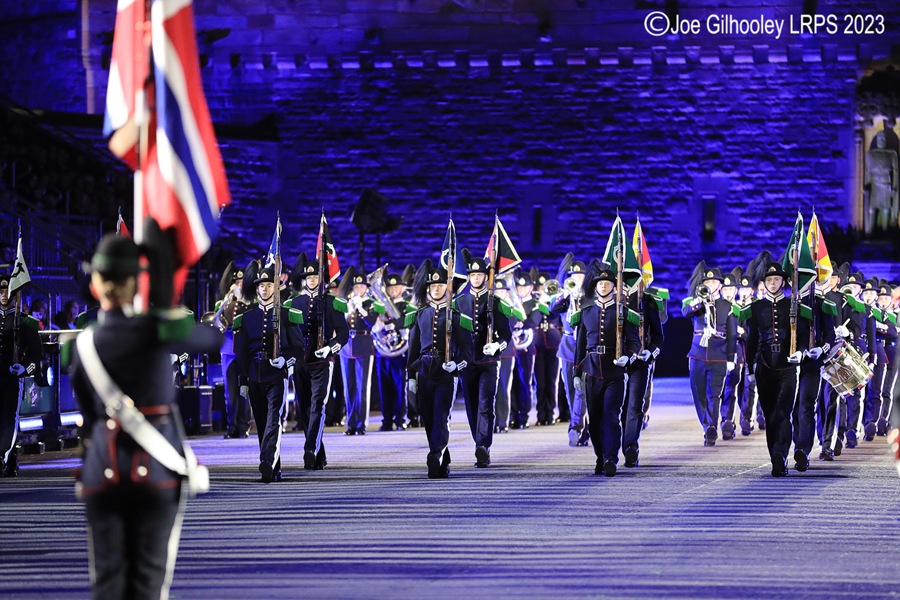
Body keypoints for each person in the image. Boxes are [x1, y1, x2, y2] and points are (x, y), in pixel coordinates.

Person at [65, 233, 221, 600]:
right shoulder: (160, 329)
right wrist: (165, 303)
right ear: (136, 281)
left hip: (102, 472)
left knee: (107, 582)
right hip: (156, 472)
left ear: (95, 283)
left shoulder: (79, 345)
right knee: (149, 584)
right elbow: (213, 339)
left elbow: (89, 416)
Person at [406, 261, 474, 479]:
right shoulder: (420, 315)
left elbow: (467, 350)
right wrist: (411, 377)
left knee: (440, 417)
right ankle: (442, 461)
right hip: (425, 371)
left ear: (448, 287)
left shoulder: (456, 316)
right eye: (432, 286)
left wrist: (457, 364)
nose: (436, 289)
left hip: (447, 374)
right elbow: (413, 349)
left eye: (440, 285)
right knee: (427, 418)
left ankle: (435, 454)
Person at [573, 261, 639, 477]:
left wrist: (628, 358)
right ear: (595, 287)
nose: (603, 286)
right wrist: (576, 372)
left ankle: (611, 458)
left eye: (607, 282)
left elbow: (634, 342)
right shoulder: (586, 312)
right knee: (595, 419)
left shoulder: (623, 312)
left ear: (613, 286)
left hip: (614, 371)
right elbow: (580, 345)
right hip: (591, 369)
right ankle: (600, 457)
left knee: (611, 415)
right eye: (600, 283)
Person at [233, 266, 297, 482]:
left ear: (276, 286)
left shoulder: (286, 314)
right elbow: (241, 352)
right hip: (254, 373)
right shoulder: (247, 317)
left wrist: (286, 360)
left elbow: (297, 347)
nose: (264, 289)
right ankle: (273, 466)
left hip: (276, 373)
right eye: (261, 285)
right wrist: (243, 380)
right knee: (261, 422)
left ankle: (266, 461)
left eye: (269, 285)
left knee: (273, 420)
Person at [284, 258, 349, 470]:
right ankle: (318, 455)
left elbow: (343, 333)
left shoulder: (332, 302)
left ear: (321, 278)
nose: (312, 280)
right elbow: (288, 333)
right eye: (308, 277)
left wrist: (331, 347)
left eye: (315, 277)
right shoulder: (294, 303)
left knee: (318, 405)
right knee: (304, 408)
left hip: (322, 359)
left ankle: (310, 448)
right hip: (301, 359)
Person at [744, 261, 805, 477]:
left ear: (784, 282)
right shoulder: (755, 307)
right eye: (769, 280)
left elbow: (805, 335)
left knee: (782, 412)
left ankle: (781, 453)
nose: (772, 283)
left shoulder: (793, 305)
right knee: (770, 414)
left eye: (776, 279)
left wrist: (802, 352)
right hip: (764, 364)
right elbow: (751, 340)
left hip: (788, 365)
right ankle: (775, 458)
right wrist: (749, 368)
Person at [455, 254, 512, 468]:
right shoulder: (458, 302)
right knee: (471, 406)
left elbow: (506, 333)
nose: (476, 278)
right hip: (467, 361)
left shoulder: (494, 301)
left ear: (485, 276)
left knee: (485, 404)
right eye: (472, 274)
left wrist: (498, 345)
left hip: (488, 360)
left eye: (479, 274)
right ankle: (478, 440)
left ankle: (483, 446)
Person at [682, 263, 737, 447]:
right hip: (697, 353)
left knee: (714, 394)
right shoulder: (695, 302)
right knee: (699, 394)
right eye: (708, 282)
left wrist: (731, 358)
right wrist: (700, 300)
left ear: (720, 285)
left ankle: (710, 427)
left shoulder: (727, 306)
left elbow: (731, 334)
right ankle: (707, 424)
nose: (711, 285)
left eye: (714, 282)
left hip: (719, 354)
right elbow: (686, 313)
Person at [0, 274, 42, 476]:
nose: (3, 295)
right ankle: (10, 458)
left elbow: (37, 356)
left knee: (9, 418)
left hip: (11, 379)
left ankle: (2, 456)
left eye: (8, 292)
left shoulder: (26, 322)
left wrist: (25, 368)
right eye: (0, 291)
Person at [621, 280, 665, 468]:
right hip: (615, 362)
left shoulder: (646, 301)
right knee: (615, 407)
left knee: (634, 405)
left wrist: (651, 352)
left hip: (639, 360)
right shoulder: (609, 301)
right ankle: (609, 451)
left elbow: (657, 335)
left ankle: (631, 448)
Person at [549, 257, 589, 446]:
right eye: (574, 276)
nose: (578, 279)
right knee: (570, 390)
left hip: (586, 347)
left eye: (581, 276)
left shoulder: (590, 296)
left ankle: (582, 427)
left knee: (585, 389)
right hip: (568, 346)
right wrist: (566, 294)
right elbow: (553, 309)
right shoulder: (565, 297)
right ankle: (577, 427)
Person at [339, 271, 382, 436]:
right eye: (356, 286)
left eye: (361, 286)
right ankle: (351, 424)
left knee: (362, 387)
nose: (358, 289)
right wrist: (348, 310)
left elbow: (370, 322)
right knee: (348, 387)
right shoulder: (347, 303)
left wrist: (360, 308)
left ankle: (361, 423)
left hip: (364, 344)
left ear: (366, 288)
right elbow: (341, 324)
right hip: (347, 346)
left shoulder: (373, 303)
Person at [215, 262, 252, 439]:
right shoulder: (223, 302)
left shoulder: (251, 301)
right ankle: (232, 426)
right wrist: (225, 304)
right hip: (228, 348)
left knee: (244, 389)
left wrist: (242, 298)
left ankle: (244, 426)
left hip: (244, 347)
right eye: (237, 282)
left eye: (242, 282)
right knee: (230, 393)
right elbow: (217, 321)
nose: (239, 285)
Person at [375, 272, 412, 431]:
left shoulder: (406, 305)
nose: (392, 290)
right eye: (390, 287)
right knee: (385, 387)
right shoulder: (381, 305)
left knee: (399, 386)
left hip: (399, 352)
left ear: (402, 288)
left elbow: (408, 321)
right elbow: (373, 322)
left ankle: (401, 418)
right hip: (383, 352)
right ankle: (387, 419)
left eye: (396, 286)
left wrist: (393, 323)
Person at [877, 282, 898, 436]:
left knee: (888, 390)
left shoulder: (896, 316)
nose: (883, 301)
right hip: (878, 352)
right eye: (881, 298)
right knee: (876, 390)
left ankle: (885, 420)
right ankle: (876, 419)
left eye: (886, 298)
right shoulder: (875, 313)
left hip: (892, 353)